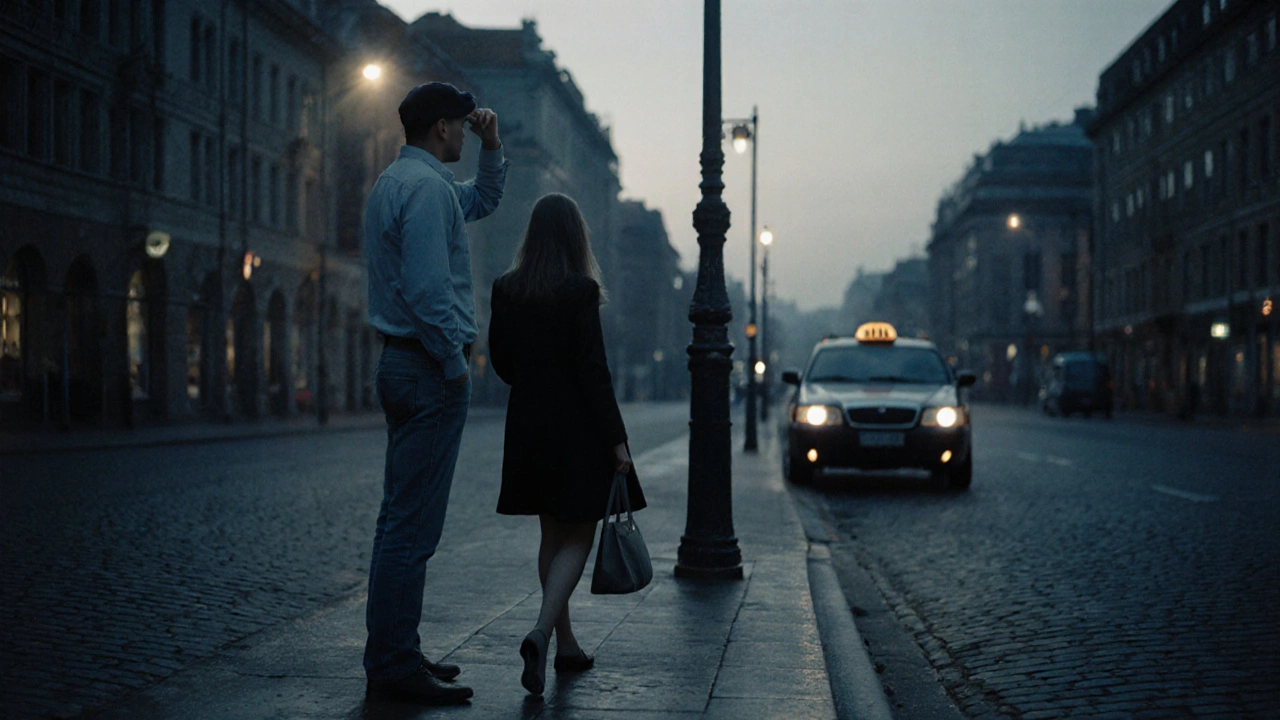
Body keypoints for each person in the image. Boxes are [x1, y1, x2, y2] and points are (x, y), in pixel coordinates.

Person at [361, 81, 506, 706]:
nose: (464, 132)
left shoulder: (406, 184)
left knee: (403, 519)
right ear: (443, 128)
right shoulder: (425, 191)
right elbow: (425, 291)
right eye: (461, 125)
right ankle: (393, 664)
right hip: (426, 368)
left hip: (404, 365)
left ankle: (398, 646)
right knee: (411, 526)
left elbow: (485, 198)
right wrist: (454, 364)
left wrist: (493, 147)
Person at [488, 193, 647, 696]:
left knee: (551, 536)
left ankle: (567, 645)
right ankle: (540, 632)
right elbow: (593, 371)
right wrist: (617, 441)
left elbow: (502, 364)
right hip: (577, 428)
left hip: (529, 426)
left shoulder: (506, 289)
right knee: (577, 537)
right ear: (576, 238)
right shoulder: (580, 291)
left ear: (531, 235)